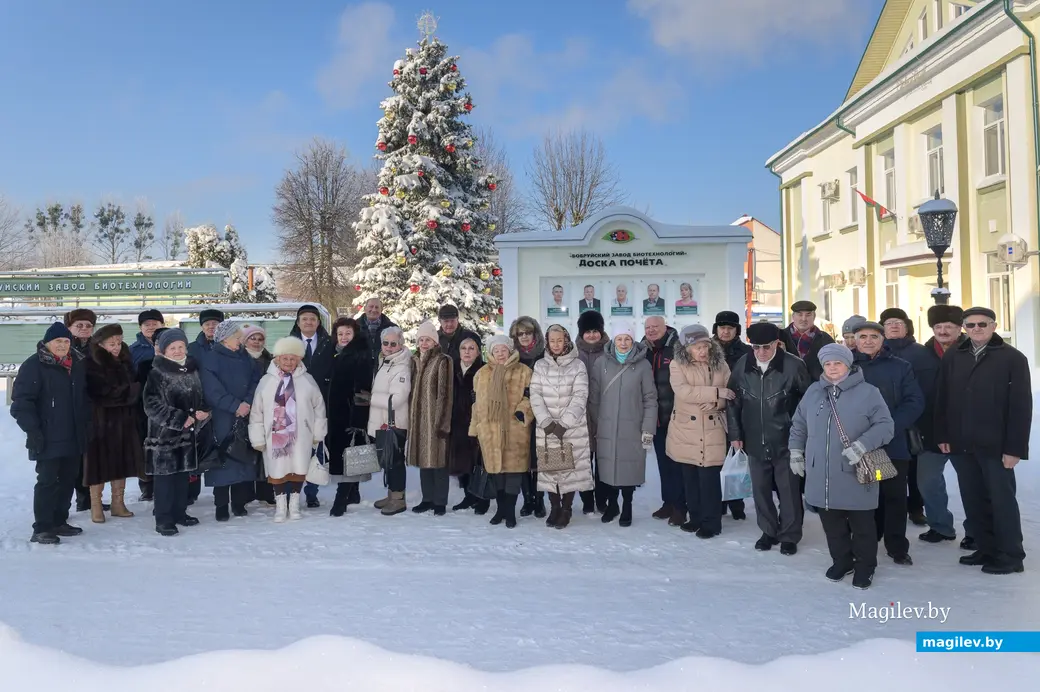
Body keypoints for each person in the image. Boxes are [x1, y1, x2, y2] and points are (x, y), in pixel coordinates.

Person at [789, 343, 894, 589]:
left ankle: (865, 566)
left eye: (837, 363)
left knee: (862, 525)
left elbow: (885, 426)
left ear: (848, 365)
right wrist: (795, 451)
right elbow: (799, 423)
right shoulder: (814, 391)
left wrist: (862, 445)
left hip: (856, 470)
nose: (832, 368)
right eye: (827, 364)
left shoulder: (868, 392)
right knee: (832, 524)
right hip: (821, 472)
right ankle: (842, 561)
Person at [935, 307, 1031, 575]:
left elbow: (1021, 406)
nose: (976, 329)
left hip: (996, 444)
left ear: (993, 326)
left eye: (982, 324)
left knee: (1001, 501)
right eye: (970, 325)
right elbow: (942, 396)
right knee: (973, 499)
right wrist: (942, 434)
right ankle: (986, 548)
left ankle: (1011, 555)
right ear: (964, 328)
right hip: (962, 442)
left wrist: (1014, 448)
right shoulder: (955, 355)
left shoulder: (1012, 358)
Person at [726, 322, 810, 553]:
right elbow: (733, 401)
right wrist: (735, 434)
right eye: (756, 347)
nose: (761, 352)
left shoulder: (794, 365)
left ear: (777, 344)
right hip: (753, 437)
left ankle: (790, 535)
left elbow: (808, 402)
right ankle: (768, 530)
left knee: (789, 490)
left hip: (786, 439)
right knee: (760, 489)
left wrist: (800, 436)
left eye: (766, 346)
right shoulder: (743, 364)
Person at [851, 321, 924, 567]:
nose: (868, 341)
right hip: (858, 444)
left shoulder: (900, 366)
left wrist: (888, 427)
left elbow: (914, 401)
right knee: (864, 496)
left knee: (894, 496)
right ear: (855, 340)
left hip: (892, 443)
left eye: (874, 336)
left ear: (883, 340)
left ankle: (897, 546)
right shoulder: (846, 367)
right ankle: (866, 541)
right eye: (863, 337)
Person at [11, 322, 90, 545]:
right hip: (47, 435)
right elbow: (21, 403)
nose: (63, 345)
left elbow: (84, 398)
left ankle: (59, 521)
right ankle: (42, 528)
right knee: (47, 481)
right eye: (58, 341)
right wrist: (33, 430)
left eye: (66, 341)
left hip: (74, 435)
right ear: (47, 343)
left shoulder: (77, 364)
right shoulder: (34, 365)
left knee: (67, 480)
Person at [249, 337, 328, 523]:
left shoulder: (307, 380)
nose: (289, 362)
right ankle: (280, 506)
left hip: (301, 434)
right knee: (277, 470)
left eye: (293, 358)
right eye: (285, 358)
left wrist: (318, 433)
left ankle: (294, 504)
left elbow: (319, 408)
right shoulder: (267, 381)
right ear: (277, 358)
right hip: (275, 434)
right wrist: (258, 437)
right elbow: (256, 411)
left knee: (298, 468)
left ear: (299, 359)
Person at [588, 322, 657, 527]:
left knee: (629, 468)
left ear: (633, 340)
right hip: (606, 426)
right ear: (613, 340)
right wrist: (598, 422)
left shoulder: (643, 365)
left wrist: (648, 428)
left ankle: (627, 505)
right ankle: (612, 505)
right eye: (619, 339)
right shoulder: (601, 363)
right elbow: (594, 397)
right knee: (608, 467)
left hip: (632, 426)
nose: (623, 343)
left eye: (627, 339)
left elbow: (650, 398)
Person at [142, 329, 209, 536]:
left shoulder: (192, 369)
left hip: (188, 435)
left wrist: (202, 411)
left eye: (181, 347)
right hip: (164, 436)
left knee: (182, 477)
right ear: (164, 351)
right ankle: (163, 519)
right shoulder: (158, 372)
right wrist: (179, 419)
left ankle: (180, 513)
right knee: (165, 480)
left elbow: (200, 396)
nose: (178, 351)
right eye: (173, 348)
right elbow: (151, 404)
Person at [666, 325, 731, 538]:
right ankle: (695, 517)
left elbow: (731, 393)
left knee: (709, 480)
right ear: (687, 348)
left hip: (712, 429)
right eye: (697, 347)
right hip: (686, 430)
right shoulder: (677, 364)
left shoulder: (721, 364)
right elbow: (684, 392)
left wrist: (717, 402)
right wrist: (716, 392)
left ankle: (712, 522)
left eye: (705, 346)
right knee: (691, 479)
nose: (703, 351)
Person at [916, 305, 972, 548]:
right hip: (931, 429)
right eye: (938, 326)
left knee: (971, 484)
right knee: (928, 481)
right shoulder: (923, 354)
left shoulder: (973, 351)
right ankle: (940, 526)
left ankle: (976, 531)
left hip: (965, 430)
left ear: (959, 328)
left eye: (949, 326)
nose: (943, 331)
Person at [530, 325, 593, 529]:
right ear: (547, 342)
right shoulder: (540, 365)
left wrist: (564, 423)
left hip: (571, 427)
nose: (556, 344)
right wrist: (546, 422)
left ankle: (566, 509)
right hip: (547, 427)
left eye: (560, 340)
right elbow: (535, 394)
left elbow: (580, 395)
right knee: (551, 468)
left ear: (566, 340)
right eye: (552, 340)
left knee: (569, 470)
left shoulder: (578, 365)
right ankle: (554, 507)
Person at [199, 320, 262, 521]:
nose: (241, 341)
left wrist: (247, 402)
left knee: (242, 456)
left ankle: (238, 502)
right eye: (237, 337)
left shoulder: (245, 357)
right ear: (225, 339)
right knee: (223, 459)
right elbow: (212, 390)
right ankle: (221, 505)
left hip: (245, 414)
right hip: (222, 416)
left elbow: (255, 381)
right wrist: (235, 406)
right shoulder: (211, 359)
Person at [469, 335, 534, 529]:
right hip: (489, 430)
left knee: (513, 473)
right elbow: (476, 404)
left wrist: (523, 412)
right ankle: (500, 510)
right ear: (491, 352)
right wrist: (475, 428)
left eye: (503, 350)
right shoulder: (481, 374)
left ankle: (511, 511)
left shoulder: (524, 371)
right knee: (496, 472)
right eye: (496, 350)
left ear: (510, 351)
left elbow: (531, 397)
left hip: (515, 430)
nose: (500, 354)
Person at [83, 324, 144, 524]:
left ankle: (118, 503)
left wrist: (129, 392)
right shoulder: (91, 363)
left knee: (121, 461)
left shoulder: (125, 360)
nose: (117, 346)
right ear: (100, 344)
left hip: (124, 420)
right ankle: (96, 506)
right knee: (98, 464)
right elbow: (101, 393)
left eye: (119, 342)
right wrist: (132, 391)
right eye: (112, 343)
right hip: (100, 421)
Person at [879, 308, 930, 527]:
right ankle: (883, 510)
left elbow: (927, 387)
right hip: (882, 422)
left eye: (898, 322)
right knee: (885, 469)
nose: (893, 326)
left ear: (907, 327)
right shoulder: (877, 351)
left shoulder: (920, 352)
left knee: (915, 469)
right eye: (889, 323)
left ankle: (916, 507)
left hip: (914, 421)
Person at [325, 318, 373, 517]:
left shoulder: (360, 355)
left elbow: (363, 389)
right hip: (335, 414)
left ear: (355, 334)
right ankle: (353, 493)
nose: (343, 337)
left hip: (350, 414)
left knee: (349, 456)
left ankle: (341, 498)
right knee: (344, 455)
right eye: (340, 333)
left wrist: (359, 418)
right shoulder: (334, 353)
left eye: (348, 333)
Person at [641, 316, 685, 526]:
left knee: (677, 465)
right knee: (663, 464)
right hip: (656, 418)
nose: (651, 330)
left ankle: (680, 507)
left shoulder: (677, 347)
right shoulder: (643, 349)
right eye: (647, 327)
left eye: (655, 327)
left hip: (676, 417)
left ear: (665, 327)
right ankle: (668, 502)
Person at [408, 321, 454, 515]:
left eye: (428, 340)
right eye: (421, 340)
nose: (424, 343)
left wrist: (442, 422)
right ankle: (427, 499)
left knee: (438, 461)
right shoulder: (414, 360)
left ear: (435, 342)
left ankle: (440, 501)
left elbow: (445, 393)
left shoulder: (442, 361)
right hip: (418, 420)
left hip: (435, 420)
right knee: (423, 460)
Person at [291, 305, 334, 508]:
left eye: (313, 319)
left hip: (321, 402)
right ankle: (293, 490)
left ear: (318, 322)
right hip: (295, 403)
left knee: (317, 445)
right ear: (298, 322)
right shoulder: (289, 343)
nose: (309, 322)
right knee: (296, 448)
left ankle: (312, 491)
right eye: (305, 319)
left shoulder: (329, 343)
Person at [712, 310, 753, 521]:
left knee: (736, 456)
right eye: (722, 327)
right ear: (716, 329)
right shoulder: (707, 350)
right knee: (715, 459)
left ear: (737, 330)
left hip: (739, 408)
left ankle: (736, 501)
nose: (726, 332)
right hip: (714, 409)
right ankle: (718, 502)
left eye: (730, 328)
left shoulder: (746, 352)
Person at [369, 326, 413, 516]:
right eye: (385, 343)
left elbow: (397, 399)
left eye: (393, 344)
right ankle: (391, 494)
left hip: (394, 422)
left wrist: (371, 398)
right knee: (388, 458)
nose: (388, 347)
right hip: (383, 420)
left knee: (395, 460)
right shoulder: (385, 361)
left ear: (400, 344)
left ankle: (398, 499)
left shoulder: (401, 366)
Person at [510, 316, 547, 518]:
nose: (524, 337)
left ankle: (539, 500)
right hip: (519, 413)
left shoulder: (544, 354)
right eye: (520, 334)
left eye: (528, 333)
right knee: (522, 456)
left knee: (539, 457)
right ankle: (527, 499)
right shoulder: (512, 357)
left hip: (542, 412)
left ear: (535, 334)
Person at [575, 310, 610, 514]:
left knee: (603, 460)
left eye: (595, 331)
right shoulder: (573, 353)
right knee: (583, 460)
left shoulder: (610, 352)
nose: (591, 335)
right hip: (580, 415)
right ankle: (587, 499)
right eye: (587, 331)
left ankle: (602, 499)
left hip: (604, 412)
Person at [64, 308, 98, 512]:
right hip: (70, 410)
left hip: (93, 408)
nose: (84, 329)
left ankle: (87, 499)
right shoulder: (63, 346)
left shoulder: (96, 347)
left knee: (89, 457)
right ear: (69, 327)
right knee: (72, 460)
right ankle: (65, 505)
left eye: (88, 325)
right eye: (79, 325)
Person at [449, 337, 488, 514]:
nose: (467, 351)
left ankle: (483, 498)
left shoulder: (484, 369)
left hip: (477, 421)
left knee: (479, 461)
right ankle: (468, 495)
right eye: (463, 348)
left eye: (471, 348)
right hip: (457, 421)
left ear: (478, 352)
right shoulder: (453, 369)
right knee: (462, 460)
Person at [241, 325, 275, 506]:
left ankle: (265, 491)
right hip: (243, 409)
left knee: (264, 451)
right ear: (245, 340)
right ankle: (246, 492)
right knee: (245, 451)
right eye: (252, 338)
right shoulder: (238, 358)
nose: (256, 342)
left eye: (260, 339)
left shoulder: (270, 360)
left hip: (266, 410)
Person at [778, 300, 834, 381]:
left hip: (817, 386)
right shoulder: (780, 337)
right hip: (787, 385)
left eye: (808, 315)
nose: (804, 319)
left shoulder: (825, 339)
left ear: (814, 317)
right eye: (800, 314)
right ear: (793, 316)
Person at [360, 298, 397, 374]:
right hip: (360, 371)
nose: (374, 310)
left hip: (385, 371)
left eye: (377, 307)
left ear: (381, 310)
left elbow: (398, 351)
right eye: (371, 306)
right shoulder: (354, 327)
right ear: (365, 308)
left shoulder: (392, 328)